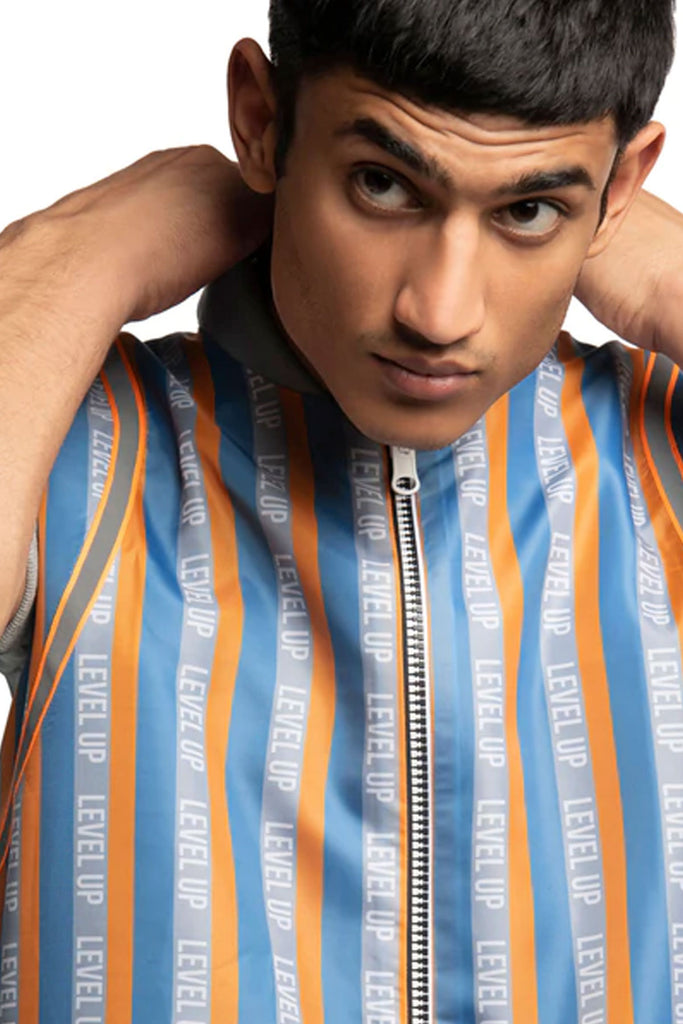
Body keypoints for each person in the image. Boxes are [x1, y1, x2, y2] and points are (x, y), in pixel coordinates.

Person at [0, 0, 681, 1020]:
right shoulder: (71, 434)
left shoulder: (658, 448)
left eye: (528, 210)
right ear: (260, 122)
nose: (438, 314)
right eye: (382, 185)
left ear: (618, 190)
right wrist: (69, 259)